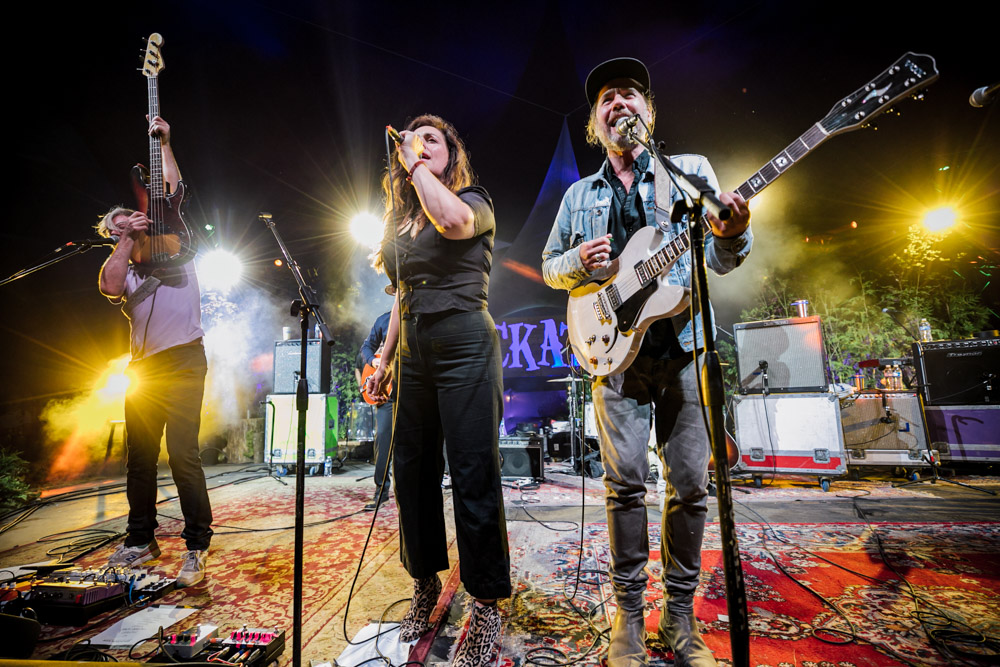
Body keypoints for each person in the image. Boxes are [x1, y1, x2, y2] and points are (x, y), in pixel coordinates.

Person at [541, 58, 753, 666]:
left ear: (648, 112)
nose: (620, 104)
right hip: (615, 359)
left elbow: (721, 259)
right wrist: (579, 260)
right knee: (623, 488)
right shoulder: (580, 194)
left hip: (684, 350)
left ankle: (679, 616)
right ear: (594, 123)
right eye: (607, 98)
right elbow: (549, 265)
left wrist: (733, 232)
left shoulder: (688, 175)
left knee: (691, 487)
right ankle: (629, 617)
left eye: (630, 94)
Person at [367, 114, 508, 667]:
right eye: (413, 139)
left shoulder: (471, 198)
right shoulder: (402, 218)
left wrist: (417, 169)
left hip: (465, 338)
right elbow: (402, 293)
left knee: (473, 473)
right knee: (412, 474)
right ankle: (425, 583)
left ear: (452, 154)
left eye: (433, 140)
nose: (420, 146)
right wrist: (383, 358)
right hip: (414, 349)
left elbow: (452, 223)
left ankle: (487, 602)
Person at [96, 116, 212, 588]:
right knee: (139, 459)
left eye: (131, 217)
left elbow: (172, 189)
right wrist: (124, 239)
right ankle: (141, 539)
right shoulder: (124, 265)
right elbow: (107, 285)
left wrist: (165, 141)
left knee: (183, 454)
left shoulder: (173, 242)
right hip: (142, 369)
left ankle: (197, 545)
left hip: (185, 358)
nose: (130, 223)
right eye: (118, 226)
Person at [358, 301, 394, 511]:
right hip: (387, 393)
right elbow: (366, 347)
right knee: (383, 441)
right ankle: (381, 491)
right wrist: (374, 363)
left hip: (413, 388)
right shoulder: (384, 320)